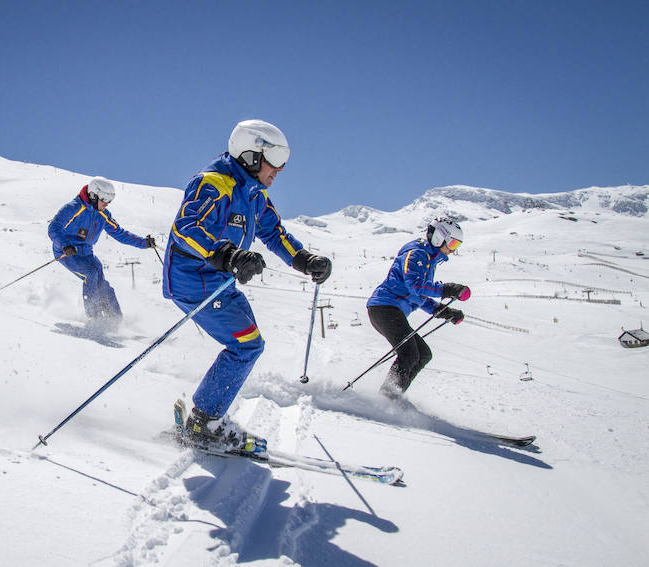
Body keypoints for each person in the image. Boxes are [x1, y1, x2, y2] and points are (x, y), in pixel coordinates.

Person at [163, 119, 332, 450]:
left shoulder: (254, 194)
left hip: (219, 282)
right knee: (246, 345)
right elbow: (186, 227)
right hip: (192, 280)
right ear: (252, 154)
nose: (280, 169)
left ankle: (205, 417)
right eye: (276, 158)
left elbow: (274, 231)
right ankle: (204, 423)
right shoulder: (214, 183)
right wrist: (228, 254)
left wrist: (303, 260)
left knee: (249, 343)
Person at [366, 217, 471, 398]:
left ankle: (393, 396)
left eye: (456, 246)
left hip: (391, 310)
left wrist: (444, 312)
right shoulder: (417, 254)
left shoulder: (429, 258)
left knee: (423, 354)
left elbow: (418, 296)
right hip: (384, 307)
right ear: (439, 238)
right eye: (452, 244)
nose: (452, 250)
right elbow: (416, 286)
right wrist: (449, 289)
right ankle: (385, 398)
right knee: (409, 353)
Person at [48, 176, 155, 331]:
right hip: (67, 251)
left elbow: (120, 233)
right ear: (93, 195)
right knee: (90, 274)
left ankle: (115, 318)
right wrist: (64, 245)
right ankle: (94, 317)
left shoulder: (103, 214)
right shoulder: (74, 208)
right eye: (104, 198)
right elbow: (53, 227)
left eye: (110, 199)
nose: (107, 203)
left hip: (87, 253)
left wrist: (144, 243)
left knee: (100, 279)